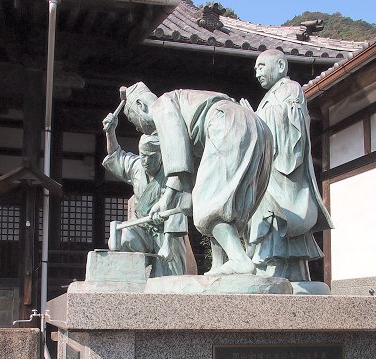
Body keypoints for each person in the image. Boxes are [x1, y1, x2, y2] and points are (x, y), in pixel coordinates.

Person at [121, 82, 272, 275]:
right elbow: (191, 166)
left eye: (133, 120)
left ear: (140, 105)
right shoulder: (184, 106)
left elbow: (178, 157)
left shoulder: (161, 105)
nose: (137, 128)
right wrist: (185, 199)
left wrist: (165, 200)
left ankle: (239, 260)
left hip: (225, 123)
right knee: (220, 203)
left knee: (211, 205)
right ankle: (218, 263)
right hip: (255, 125)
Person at [242, 49, 334, 281]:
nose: (257, 73)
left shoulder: (291, 88)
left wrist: (253, 118)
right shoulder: (270, 96)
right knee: (265, 217)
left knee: (281, 217)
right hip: (269, 170)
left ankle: (283, 271)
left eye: (262, 66)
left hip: (284, 169)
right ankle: (271, 267)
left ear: (281, 66)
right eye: (255, 69)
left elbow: (289, 124)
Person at [102, 109, 188, 276]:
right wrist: (110, 132)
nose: (146, 161)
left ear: (162, 156)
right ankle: (128, 281)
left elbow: (178, 211)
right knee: (123, 239)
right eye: (143, 156)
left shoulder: (173, 176)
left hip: (166, 232)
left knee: (168, 276)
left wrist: (167, 243)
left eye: (152, 157)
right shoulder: (136, 167)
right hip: (141, 226)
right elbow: (116, 156)